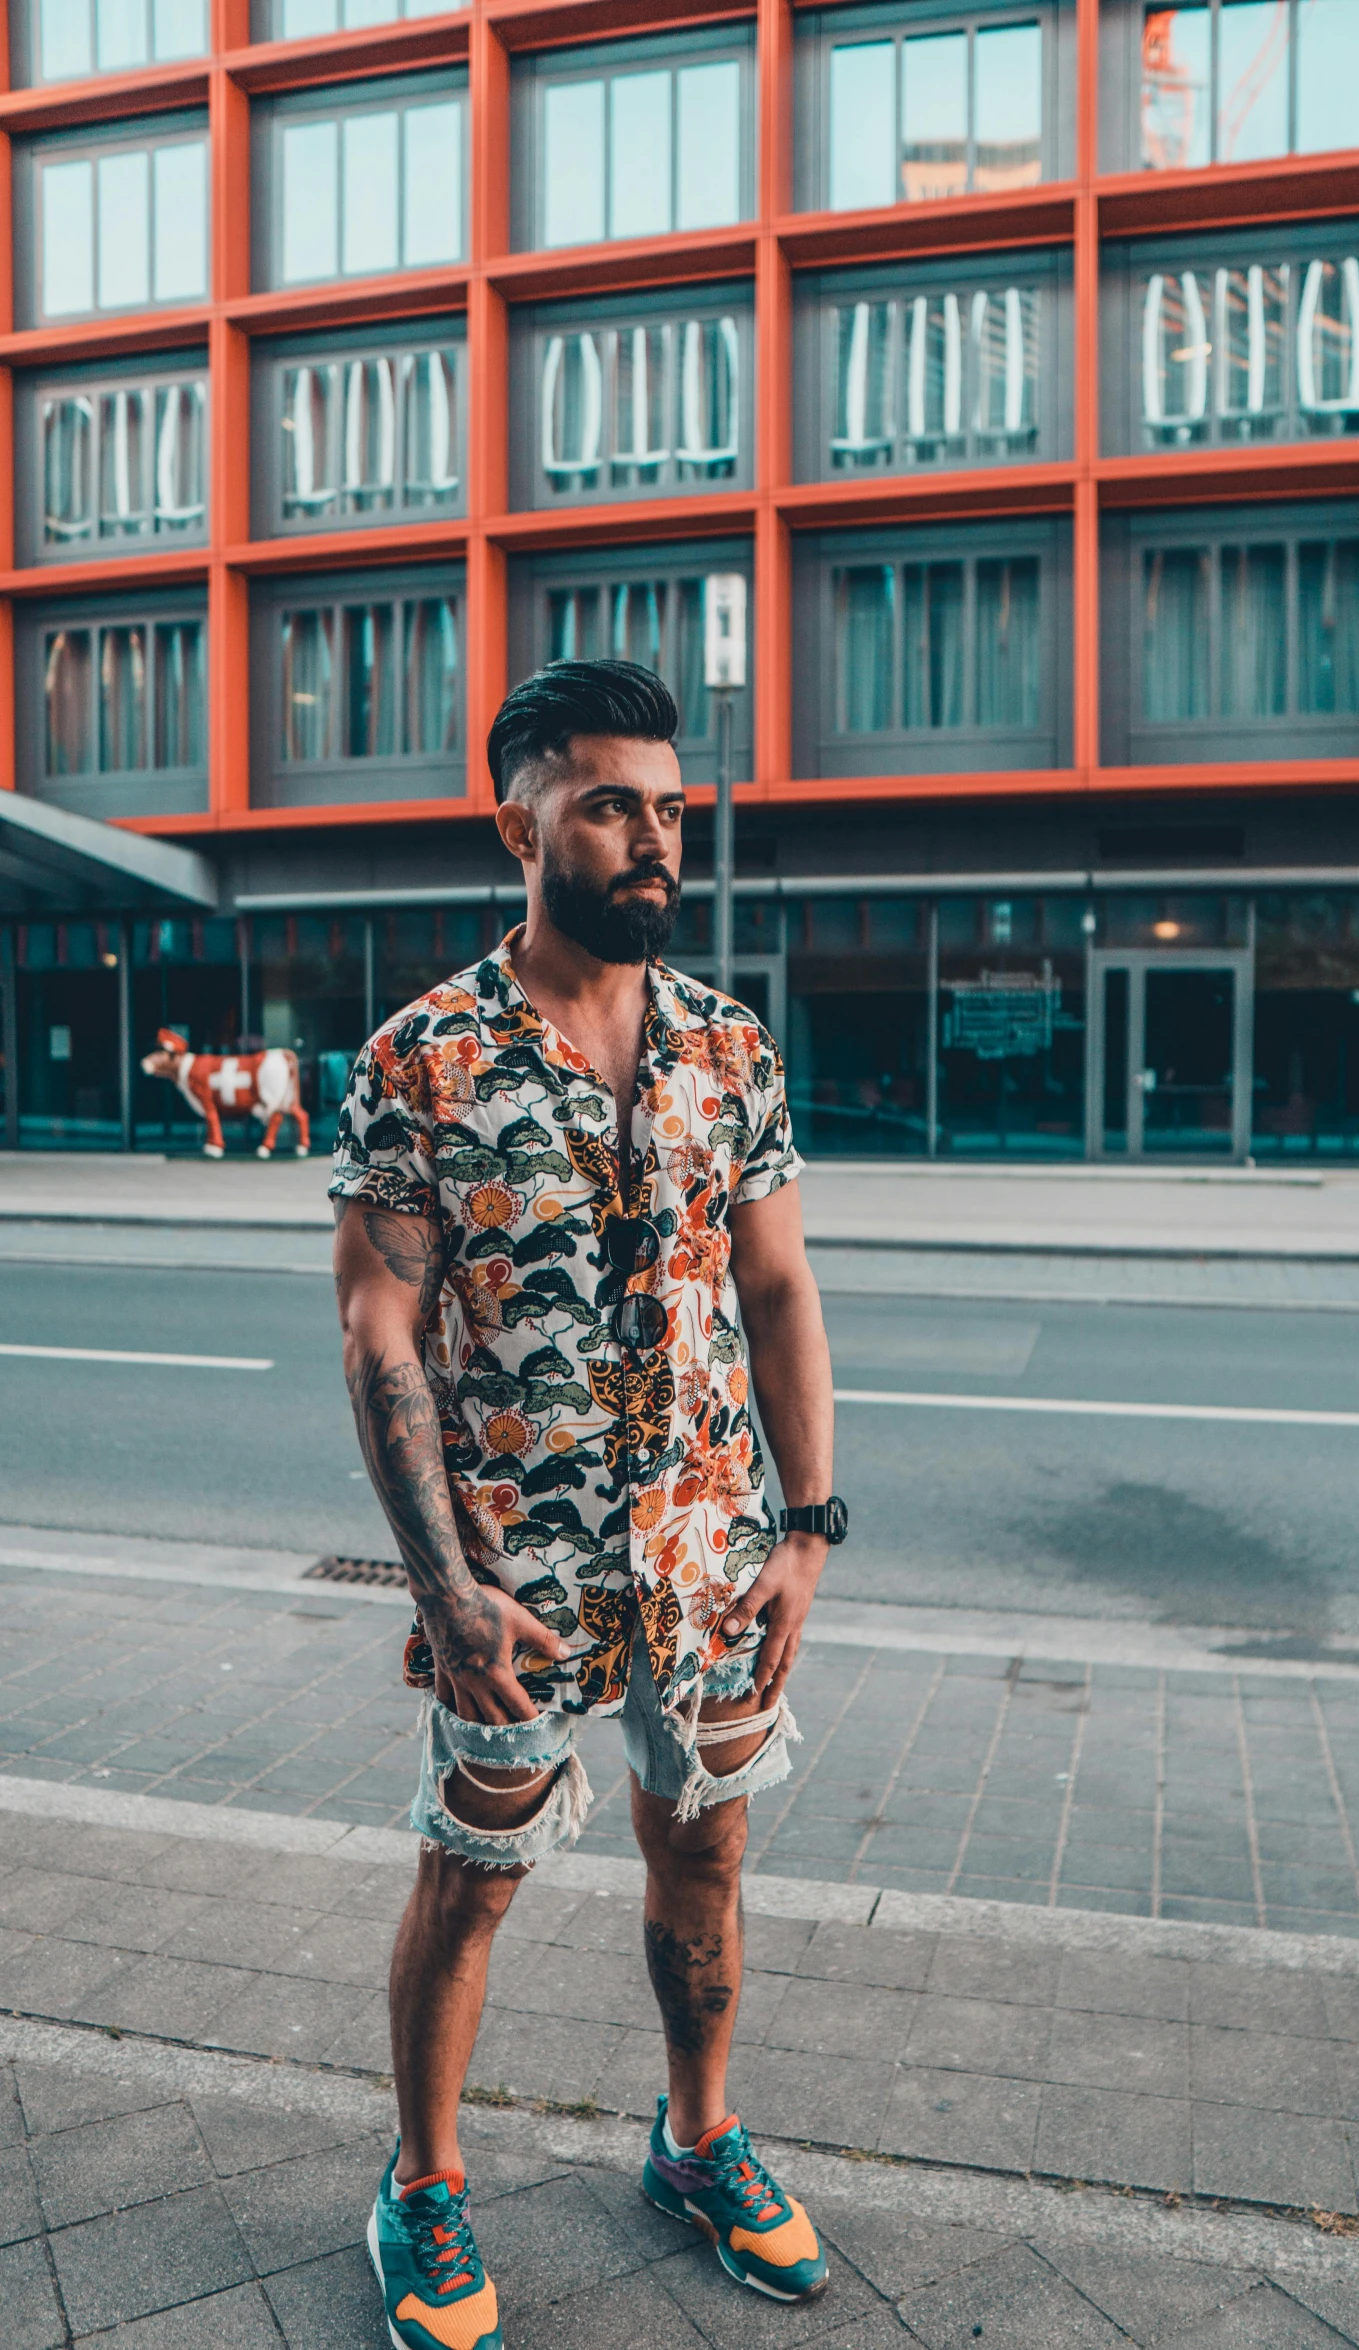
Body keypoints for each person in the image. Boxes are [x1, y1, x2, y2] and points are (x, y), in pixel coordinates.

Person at [331, 658, 847, 2350]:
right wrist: (441, 1589)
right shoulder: (424, 1057)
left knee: (705, 1851)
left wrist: (804, 1527)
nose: (652, 839)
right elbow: (377, 1327)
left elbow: (777, 1293)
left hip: (706, 1559)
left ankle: (696, 2140)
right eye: (613, 802)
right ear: (520, 818)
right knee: (470, 1872)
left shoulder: (728, 1045)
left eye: (671, 808)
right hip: (513, 1583)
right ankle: (421, 2184)